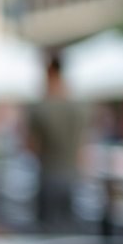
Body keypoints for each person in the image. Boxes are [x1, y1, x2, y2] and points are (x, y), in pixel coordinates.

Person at [26, 55, 89, 231]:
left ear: (49, 72)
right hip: (71, 175)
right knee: (68, 228)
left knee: (46, 231)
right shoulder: (80, 108)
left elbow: (31, 146)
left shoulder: (40, 108)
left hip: (48, 174)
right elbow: (83, 147)